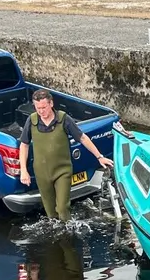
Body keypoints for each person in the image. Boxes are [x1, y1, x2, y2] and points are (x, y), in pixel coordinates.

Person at [18, 89, 113, 222]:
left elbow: (82, 138)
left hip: (62, 171)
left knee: (62, 208)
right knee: (50, 212)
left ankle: (68, 236)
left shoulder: (63, 119)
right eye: (38, 108)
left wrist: (99, 156)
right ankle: (57, 237)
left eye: (44, 107)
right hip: (42, 173)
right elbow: (24, 145)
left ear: (51, 104)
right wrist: (24, 170)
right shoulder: (32, 120)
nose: (41, 111)